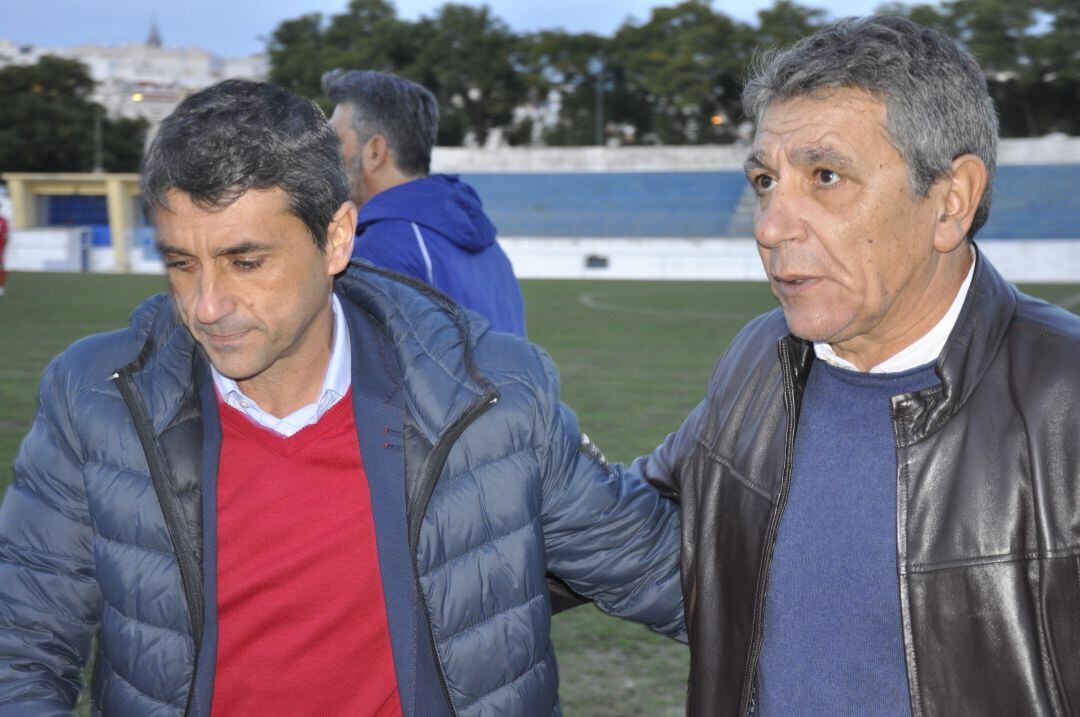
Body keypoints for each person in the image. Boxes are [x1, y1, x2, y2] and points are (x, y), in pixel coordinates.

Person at [0, 79, 683, 716]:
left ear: (337, 237)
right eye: (181, 262)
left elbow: (669, 573)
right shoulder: (94, 400)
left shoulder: (490, 397)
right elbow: (21, 647)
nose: (206, 305)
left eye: (245, 261)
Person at [632, 15, 1080, 716]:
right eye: (764, 180)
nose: (770, 226)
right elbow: (637, 519)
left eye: (826, 176)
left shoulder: (1066, 400)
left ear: (951, 200)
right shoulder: (760, 361)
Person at [322, 69, 527, 337]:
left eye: (335, 143)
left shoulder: (380, 248)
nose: (326, 157)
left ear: (375, 152)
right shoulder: (487, 243)